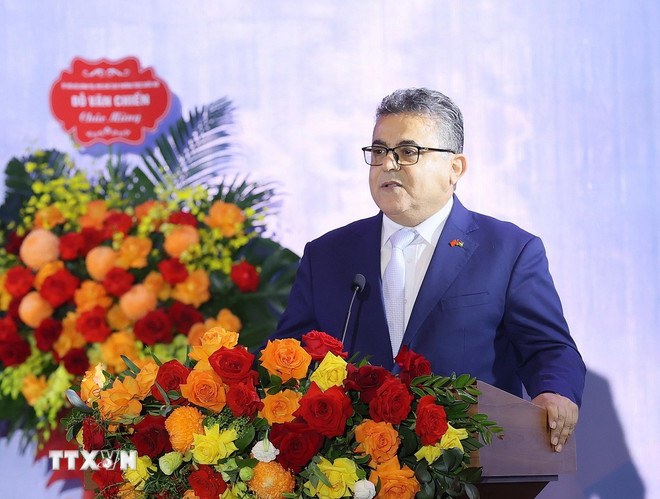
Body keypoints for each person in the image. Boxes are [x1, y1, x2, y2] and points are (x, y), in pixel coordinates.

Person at [271, 87, 585, 453]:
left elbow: (547, 348)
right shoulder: (327, 255)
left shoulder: (508, 250)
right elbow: (287, 356)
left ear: (455, 168)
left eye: (407, 152)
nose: (388, 164)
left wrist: (554, 392)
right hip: (350, 462)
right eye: (379, 151)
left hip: (469, 458)